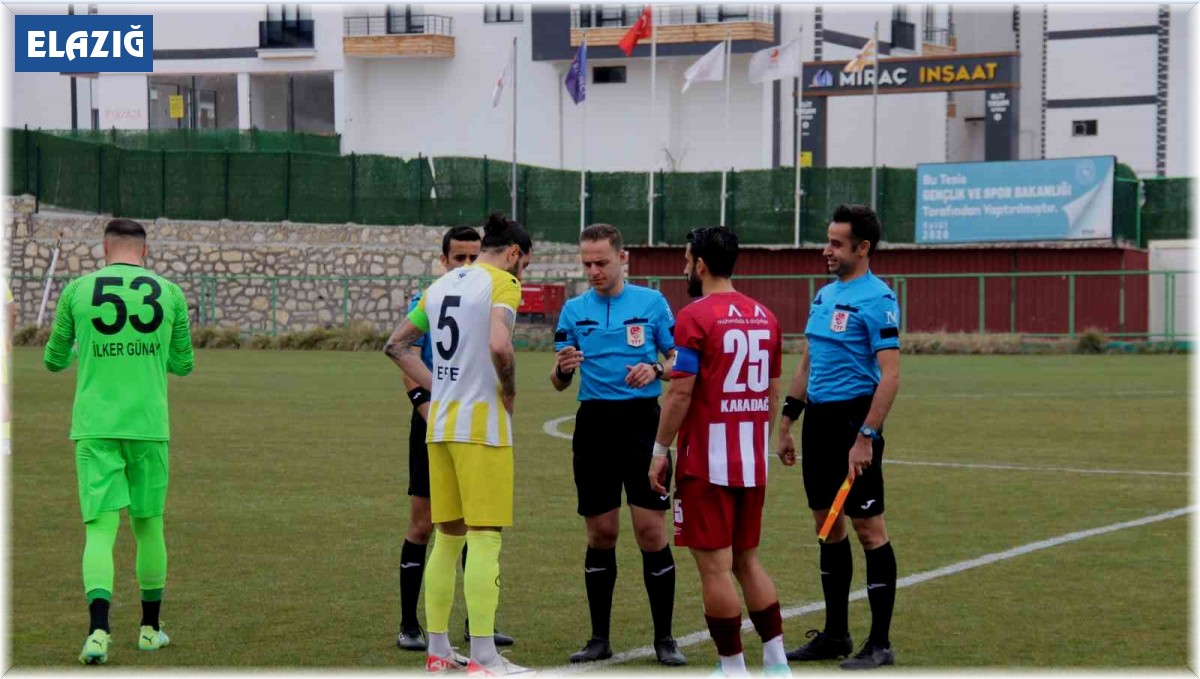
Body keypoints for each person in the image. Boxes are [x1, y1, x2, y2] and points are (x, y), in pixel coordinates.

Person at [384, 212, 533, 676]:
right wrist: (508, 392)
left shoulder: (442, 285)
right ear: (513, 253)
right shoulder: (503, 283)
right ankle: (485, 657)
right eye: (523, 264)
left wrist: (441, 388)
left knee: (448, 539)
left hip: (441, 426)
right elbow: (500, 346)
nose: (521, 273)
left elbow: (396, 345)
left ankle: (438, 650)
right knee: (486, 536)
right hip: (481, 426)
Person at [43, 218, 195, 665]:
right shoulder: (169, 293)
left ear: (104, 248)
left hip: (96, 427)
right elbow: (183, 364)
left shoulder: (77, 291)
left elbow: (53, 360)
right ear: (144, 252)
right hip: (149, 426)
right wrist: (148, 351)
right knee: (149, 526)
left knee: (100, 530)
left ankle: (97, 633)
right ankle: (150, 631)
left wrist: (84, 350)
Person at [648, 226, 790, 677]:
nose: (684, 267)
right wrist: (755, 443)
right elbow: (769, 392)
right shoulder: (766, 316)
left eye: (687, 259)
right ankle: (777, 662)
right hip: (751, 461)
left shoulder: (694, 316)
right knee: (748, 560)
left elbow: (680, 393)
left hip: (706, 463)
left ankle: (732, 666)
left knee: (715, 568)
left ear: (701, 264)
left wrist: (659, 450)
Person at [550, 223, 685, 666]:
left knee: (651, 532)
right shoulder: (573, 310)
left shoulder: (652, 302)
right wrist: (564, 369)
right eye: (586, 263)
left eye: (601, 262)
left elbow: (677, 358)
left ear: (621, 258)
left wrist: (656, 370)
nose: (593, 270)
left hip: (643, 425)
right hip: (594, 426)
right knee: (601, 533)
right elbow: (557, 380)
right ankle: (598, 639)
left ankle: (665, 639)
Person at [778, 204, 900, 670]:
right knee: (828, 528)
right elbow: (809, 362)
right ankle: (835, 635)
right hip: (820, 425)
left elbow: (890, 377)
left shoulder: (879, 298)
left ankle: (880, 643)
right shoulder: (823, 296)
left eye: (835, 242)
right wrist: (788, 422)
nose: (826, 250)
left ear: (862, 248)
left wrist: (867, 436)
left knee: (870, 531)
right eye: (827, 240)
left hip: (855, 424)